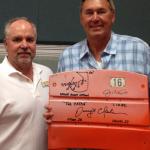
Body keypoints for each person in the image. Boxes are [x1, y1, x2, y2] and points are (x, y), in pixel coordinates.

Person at [0, 17, 53, 150]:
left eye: (30, 40)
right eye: (17, 39)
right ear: (6, 44)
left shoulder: (48, 74)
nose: (24, 45)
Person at [57, 0, 150, 75]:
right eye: (89, 13)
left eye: (101, 12)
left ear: (113, 16)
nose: (95, 18)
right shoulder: (67, 57)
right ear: (81, 19)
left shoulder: (138, 49)